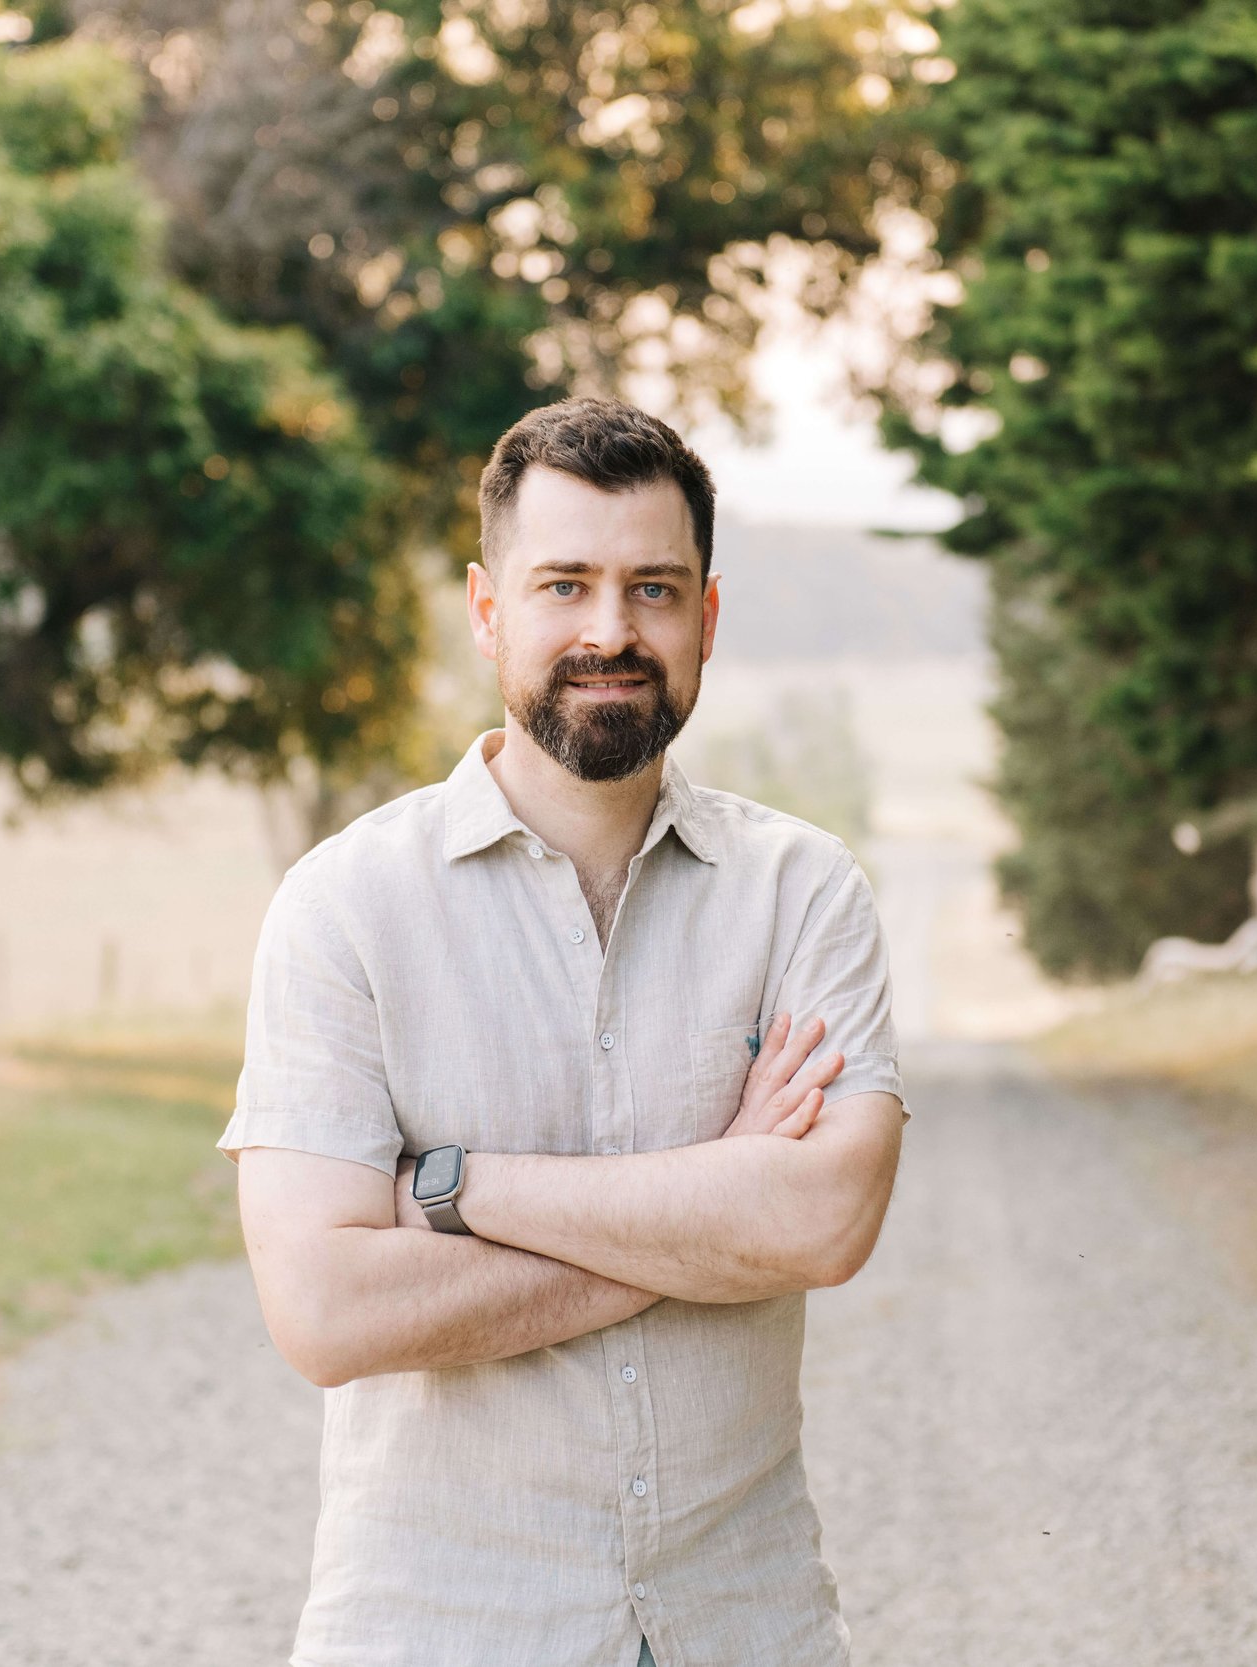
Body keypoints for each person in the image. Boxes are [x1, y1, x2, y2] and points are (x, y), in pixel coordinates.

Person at [222, 395, 907, 1667]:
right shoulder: (346, 907)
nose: (610, 629)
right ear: (489, 610)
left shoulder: (802, 893)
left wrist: (456, 1188)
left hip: (741, 1625)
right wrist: (712, 1213)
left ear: (706, 616)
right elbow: (325, 1309)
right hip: (435, 1629)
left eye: (653, 588)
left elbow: (820, 1222)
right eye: (564, 585)